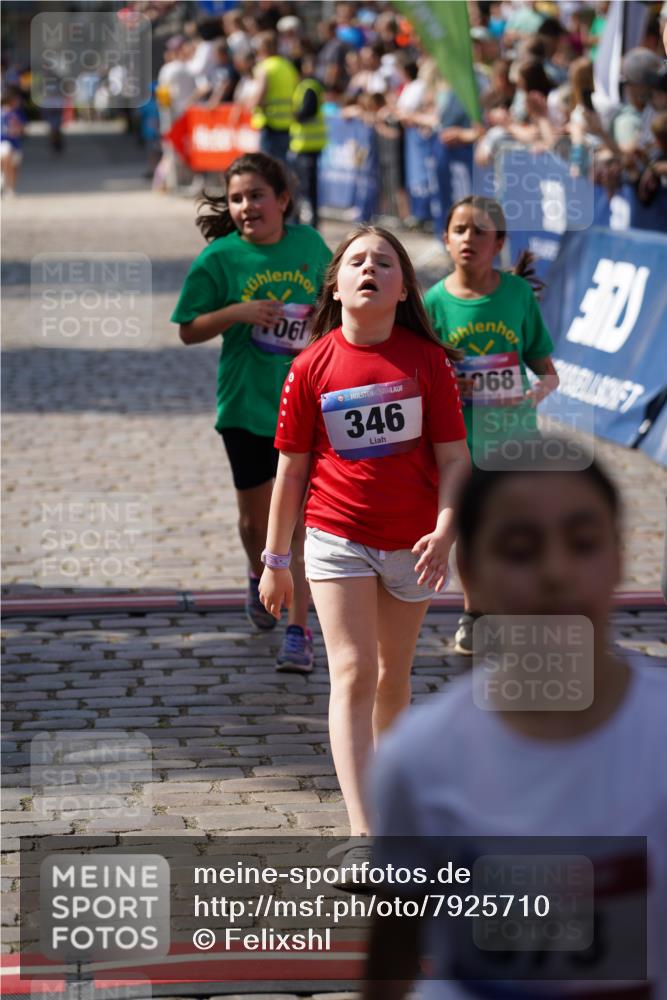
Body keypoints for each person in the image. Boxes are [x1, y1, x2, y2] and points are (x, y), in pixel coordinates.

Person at [365, 446, 667, 998]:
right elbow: (391, 953)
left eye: (583, 543)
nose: (555, 573)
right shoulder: (420, 756)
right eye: (520, 549)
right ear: (472, 571)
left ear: (620, 557)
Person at [258, 225, 470, 846]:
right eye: (356, 261)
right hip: (335, 537)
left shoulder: (428, 361)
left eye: (384, 261)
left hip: (414, 545)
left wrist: (444, 531)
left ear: (404, 288)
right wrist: (276, 560)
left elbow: (456, 462)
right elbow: (291, 471)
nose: (369, 269)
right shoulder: (309, 366)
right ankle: (364, 830)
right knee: (352, 671)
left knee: (391, 679)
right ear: (338, 284)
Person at [171, 153, 332, 671]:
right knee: (254, 522)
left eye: (257, 195)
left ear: (283, 200)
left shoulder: (310, 245)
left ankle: (299, 630)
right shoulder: (219, 259)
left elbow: (336, 305)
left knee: (303, 524)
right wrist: (238, 313)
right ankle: (255, 570)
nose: (246, 207)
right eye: (237, 198)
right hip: (245, 404)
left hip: (308, 409)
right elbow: (189, 329)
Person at [424, 196, 559, 654]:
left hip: (516, 438)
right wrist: (448, 387)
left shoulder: (518, 295)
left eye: (480, 231)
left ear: (499, 242)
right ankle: (475, 612)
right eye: (459, 229)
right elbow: (422, 374)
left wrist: (538, 389)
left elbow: (546, 369)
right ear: (446, 238)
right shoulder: (435, 303)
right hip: (461, 442)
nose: (468, 239)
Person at [288, 52, 327, 229]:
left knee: (307, 188)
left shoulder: (309, 86)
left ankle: (311, 223)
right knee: (303, 187)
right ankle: (306, 221)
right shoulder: (304, 86)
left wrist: (293, 115)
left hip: (308, 145)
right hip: (303, 144)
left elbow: (307, 112)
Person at [249, 30, 298, 163]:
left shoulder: (264, 67)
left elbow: (260, 93)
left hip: (269, 123)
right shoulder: (288, 66)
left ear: (263, 48)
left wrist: (252, 105)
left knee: (267, 165)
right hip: (287, 123)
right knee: (281, 164)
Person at [0, 87, 25, 197]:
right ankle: (3, 181)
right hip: (3, 141)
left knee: (15, 168)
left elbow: (23, 128)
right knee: (6, 157)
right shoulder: (2, 113)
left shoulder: (17, 113)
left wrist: (18, 129)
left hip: (16, 143)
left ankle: (10, 189)